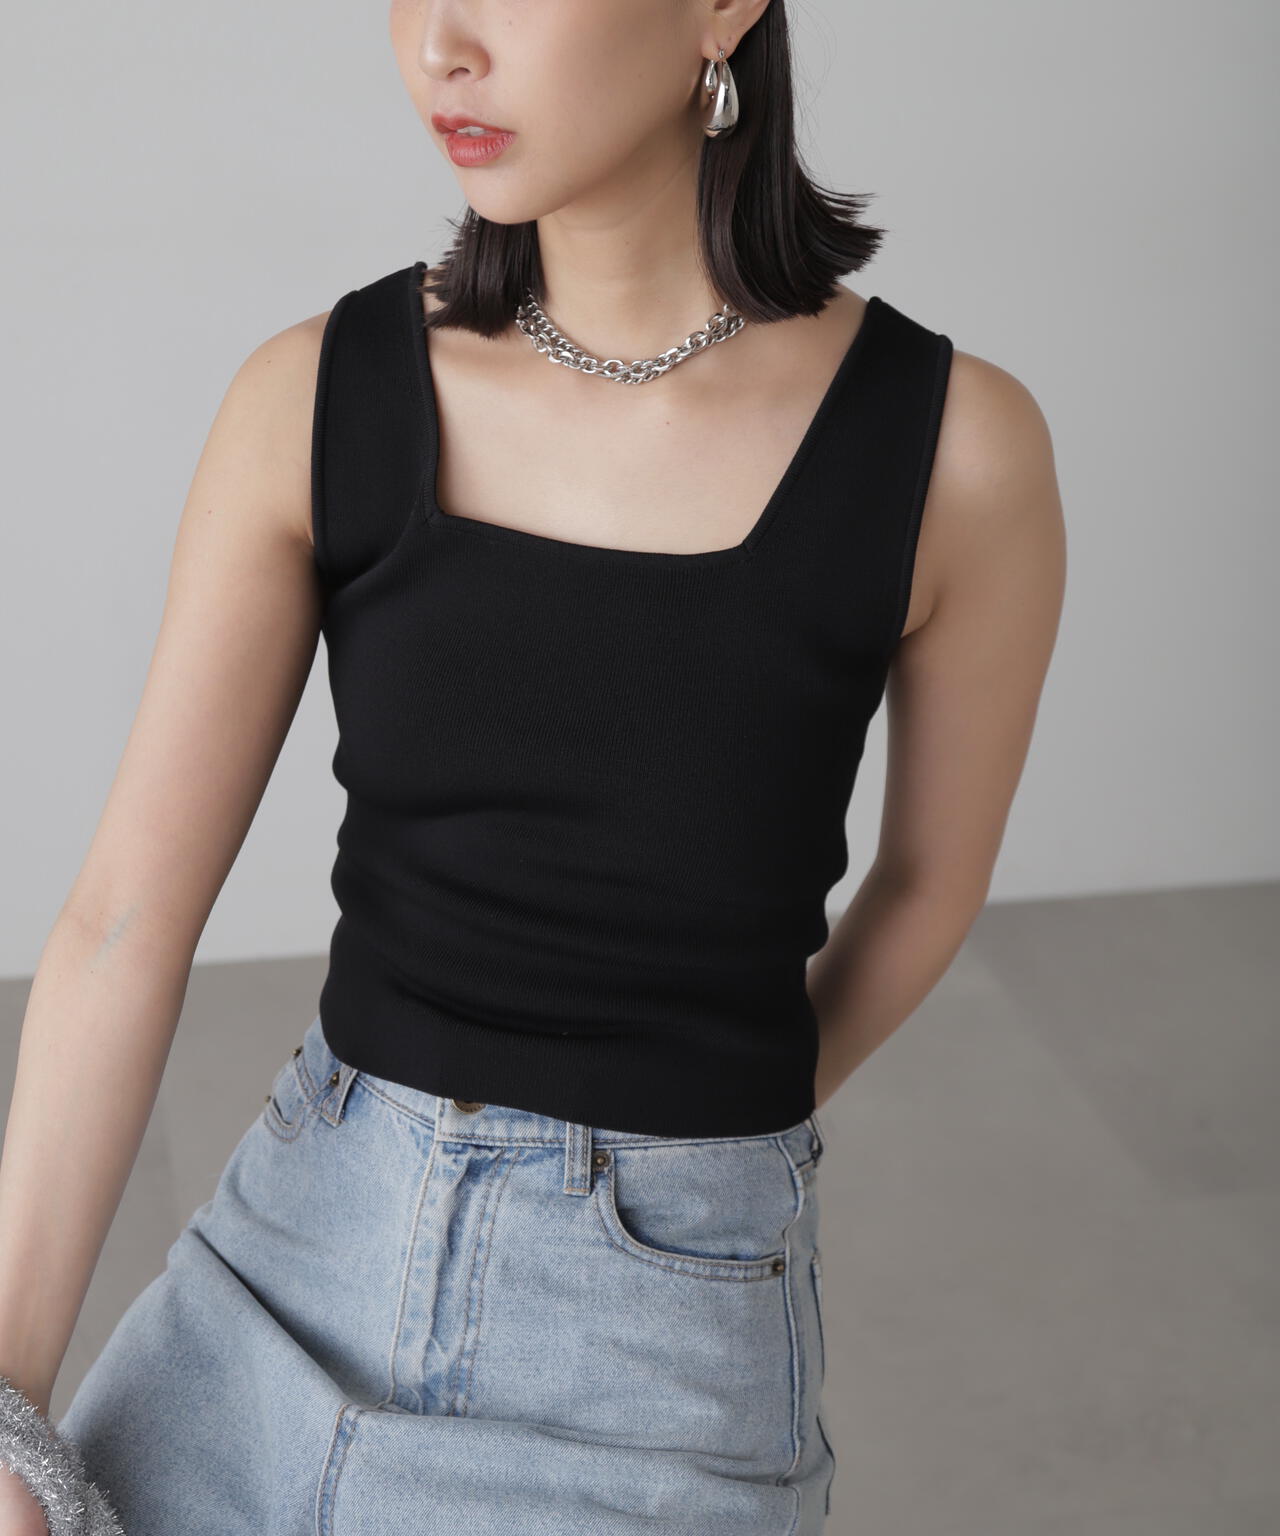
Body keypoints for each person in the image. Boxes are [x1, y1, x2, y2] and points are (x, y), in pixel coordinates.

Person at [0, 0, 1066, 1531]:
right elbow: (121, 920)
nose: (440, 41)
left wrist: (694, 1150)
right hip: (279, 1278)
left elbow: (927, 886)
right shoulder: (314, 394)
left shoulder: (954, 451)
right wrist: (7, 1401)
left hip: (651, 1365)